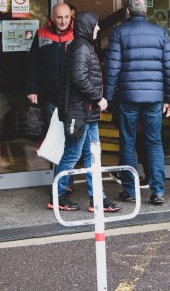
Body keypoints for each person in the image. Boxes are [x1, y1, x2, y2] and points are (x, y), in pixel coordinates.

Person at [104, 0, 170, 205]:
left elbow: (112, 69)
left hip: (128, 97)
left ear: (127, 11)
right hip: (154, 98)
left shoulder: (119, 32)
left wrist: (107, 98)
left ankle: (129, 191)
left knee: (128, 143)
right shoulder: (160, 33)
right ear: (145, 11)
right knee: (154, 143)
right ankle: (158, 192)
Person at [49, 11, 121, 213]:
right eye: (96, 26)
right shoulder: (81, 47)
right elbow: (80, 78)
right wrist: (98, 99)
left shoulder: (82, 46)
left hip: (86, 113)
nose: (98, 29)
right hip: (80, 112)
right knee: (73, 155)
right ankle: (58, 196)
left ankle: (98, 198)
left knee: (92, 157)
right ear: (87, 27)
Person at [26, 3, 76, 191]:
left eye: (66, 17)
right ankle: (62, 183)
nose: (63, 21)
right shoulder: (41, 34)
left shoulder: (77, 34)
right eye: (59, 17)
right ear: (52, 18)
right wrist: (32, 89)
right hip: (50, 97)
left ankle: (66, 182)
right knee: (55, 139)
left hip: (73, 98)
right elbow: (32, 64)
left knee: (71, 139)